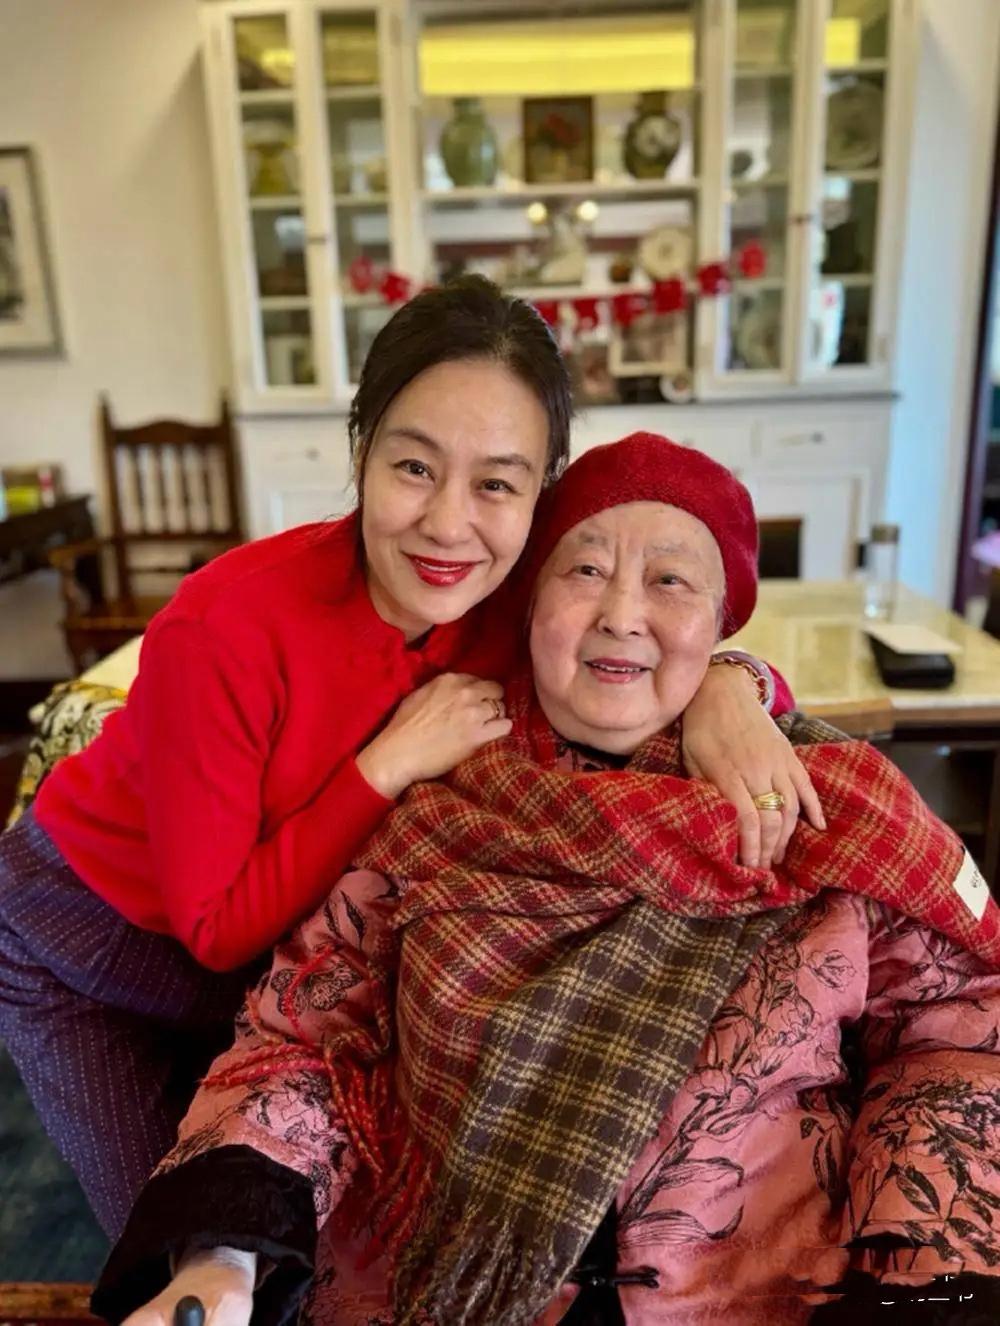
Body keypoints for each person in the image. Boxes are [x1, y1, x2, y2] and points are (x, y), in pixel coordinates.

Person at [94, 432, 1000, 1326]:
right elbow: (303, 1036)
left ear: (722, 623)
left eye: (671, 581)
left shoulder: (816, 803)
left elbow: (958, 1034)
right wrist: (223, 1257)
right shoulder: (438, 798)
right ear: (528, 606)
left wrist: (927, 1285)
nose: (622, 614)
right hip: (443, 1291)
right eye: (585, 571)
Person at [0, 281, 819, 1242]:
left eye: (497, 484)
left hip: (287, 952)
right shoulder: (225, 625)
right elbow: (217, 929)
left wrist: (734, 684)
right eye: (415, 467)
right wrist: (383, 767)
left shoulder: (506, 601)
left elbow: (647, 648)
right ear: (362, 452)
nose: (447, 524)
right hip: (85, 936)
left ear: (541, 496)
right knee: (189, 1241)